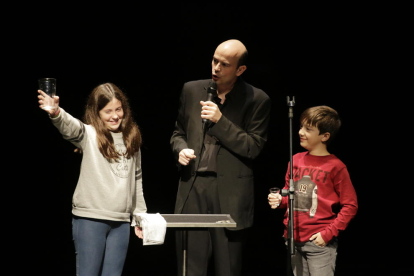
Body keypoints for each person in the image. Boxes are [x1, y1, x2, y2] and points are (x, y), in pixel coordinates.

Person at [170, 39, 271, 276]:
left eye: (224, 64)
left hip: (229, 192)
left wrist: (220, 121)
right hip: (193, 186)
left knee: (227, 266)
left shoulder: (257, 99)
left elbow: (253, 147)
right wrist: (180, 149)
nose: (216, 68)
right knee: (189, 265)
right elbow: (178, 132)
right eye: (214, 60)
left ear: (240, 69)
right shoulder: (191, 89)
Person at [37, 82, 147, 276]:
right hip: (90, 219)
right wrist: (56, 113)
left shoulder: (132, 137)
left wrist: (140, 216)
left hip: (120, 222)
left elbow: (136, 178)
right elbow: (71, 126)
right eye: (108, 111)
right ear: (97, 113)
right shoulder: (90, 134)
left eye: (118, 109)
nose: (115, 116)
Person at [268, 105, 358, 276]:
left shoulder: (336, 167)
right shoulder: (295, 160)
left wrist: (327, 233)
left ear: (325, 136)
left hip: (318, 242)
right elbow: (291, 195)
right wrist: (280, 200)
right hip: (293, 238)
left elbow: (350, 205)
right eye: (301, 127)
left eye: (308, 129)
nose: (301, 132)